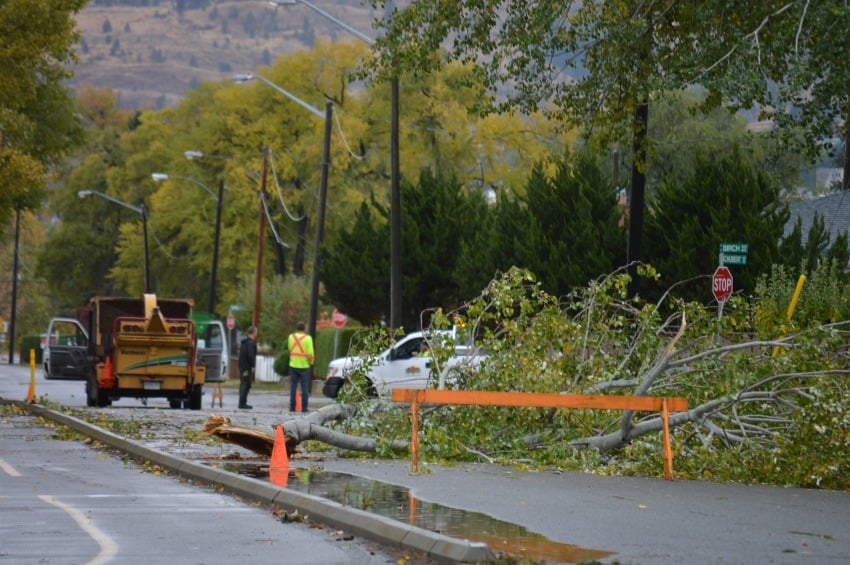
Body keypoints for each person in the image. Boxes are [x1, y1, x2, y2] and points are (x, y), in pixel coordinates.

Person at [287, 321, 314, 413]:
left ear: (297, 328)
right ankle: (304, 407)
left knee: (293, 387)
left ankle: (292, 406)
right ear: (304, 328)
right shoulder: (308, 338)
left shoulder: (291, 337)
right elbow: (310, 353)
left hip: (293, 364)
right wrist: (311, 362)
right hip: (305, 366)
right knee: (304, 388)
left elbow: (290, 349)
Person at [238, 325, 258, 409]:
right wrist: (252, 365)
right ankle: (242, 403)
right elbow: (250, 355)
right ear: (253, 332)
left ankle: (243, 402)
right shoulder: (250, 343)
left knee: (245, 383)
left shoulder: (245, 342)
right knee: (245, 384)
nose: (257, 333)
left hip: (243, 366)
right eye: (256, 331)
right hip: (246, 367)